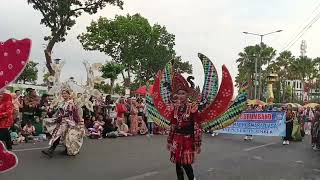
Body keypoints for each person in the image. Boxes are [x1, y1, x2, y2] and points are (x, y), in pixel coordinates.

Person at [42, 89, 83, 157]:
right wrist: (51, 110)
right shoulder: (62, 102)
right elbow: (59, 111)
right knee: (59, 134)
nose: (64, 95)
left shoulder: (71, 103)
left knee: (64, 136)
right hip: (62, 121)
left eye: (65, 93)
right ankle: (52, 149)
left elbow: (73, 113)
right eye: (63, 93)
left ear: (69, 94)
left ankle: (54, 149)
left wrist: (77, 121)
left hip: (69, 122)